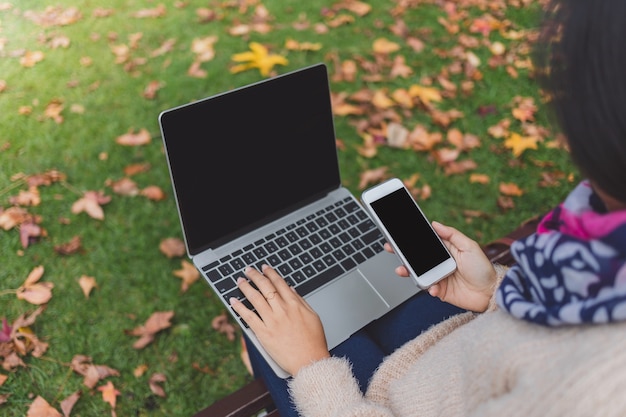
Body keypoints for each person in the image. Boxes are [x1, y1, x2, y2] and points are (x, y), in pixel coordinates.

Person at [229, 1, 626, 415]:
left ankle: (264, 356)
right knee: (322, 299)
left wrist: (311, 365)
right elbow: (561, 322)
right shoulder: (607, 236)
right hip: (453, 352)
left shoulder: (598, 389)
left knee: (266, 313)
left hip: (373, 403)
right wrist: (494, 291)